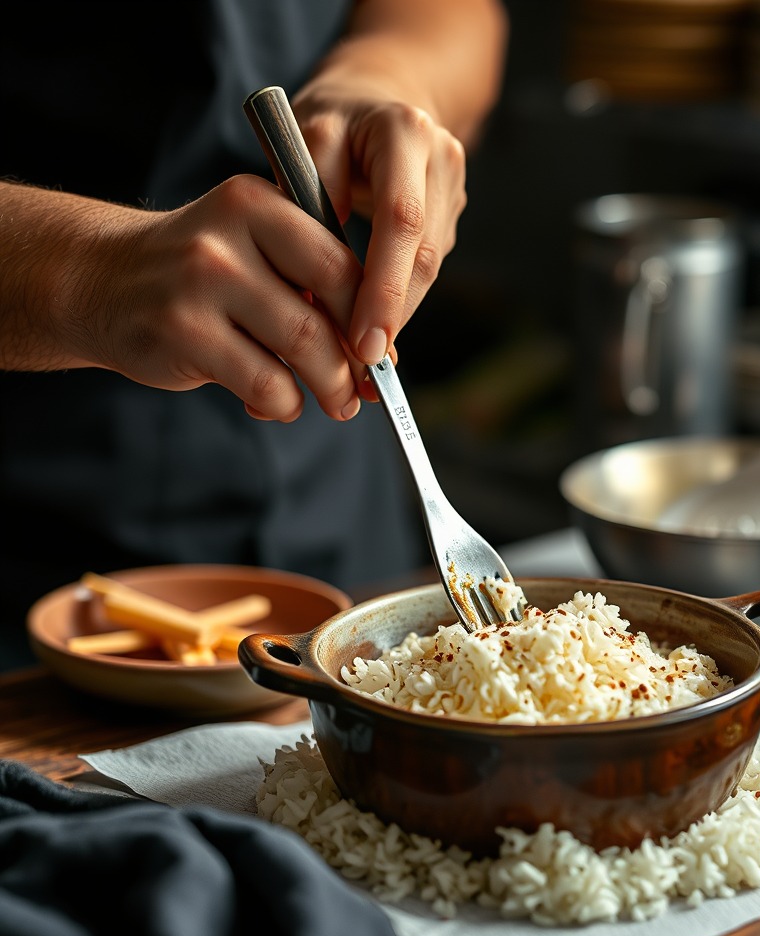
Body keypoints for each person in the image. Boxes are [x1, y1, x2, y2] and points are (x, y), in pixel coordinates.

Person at [0, 0, 508, 667]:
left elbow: (452, 16)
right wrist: (86, 274)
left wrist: (387, 77)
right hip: (36, 556)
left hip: (344, 514)